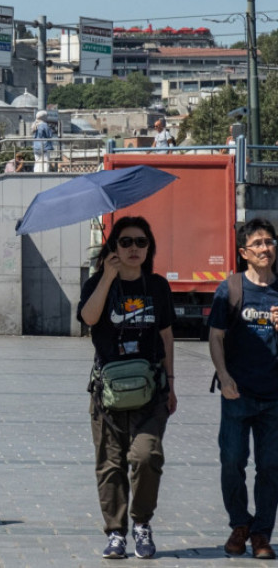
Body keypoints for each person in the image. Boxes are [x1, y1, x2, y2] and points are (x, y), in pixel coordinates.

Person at [78, 216, 176, 560]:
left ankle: (141, 523)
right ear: (113, 247)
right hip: (107, 392)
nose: (133, 248)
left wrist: (172, 383)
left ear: (149, 248)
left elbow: (166, 335)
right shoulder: (97, 284)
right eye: (125, 242)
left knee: (146, 456)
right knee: (110, 464)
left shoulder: (158, 287)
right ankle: (116, 533)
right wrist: (107, 276)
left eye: (141, 242)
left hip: (151, 391)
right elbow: (89, 319)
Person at [208, 218, 278, 559]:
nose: (266, 248)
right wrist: (223, 376)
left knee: (271, 467)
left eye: (270, 242)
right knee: (232, 461)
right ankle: (240, 524)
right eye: (259, 243)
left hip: (275, 396)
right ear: (244, 252)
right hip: (237, 394)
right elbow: (216, 336)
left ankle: (262, 534)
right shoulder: (231, 288)